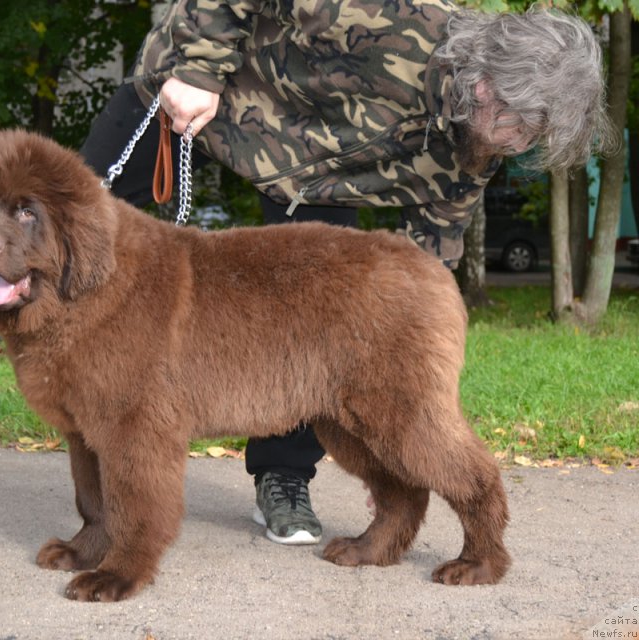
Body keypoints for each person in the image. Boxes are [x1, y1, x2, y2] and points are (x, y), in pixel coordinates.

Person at [80, 0, 611, 546]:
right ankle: (90, 425)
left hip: (316, 181)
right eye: (522, 125)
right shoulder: (388, 13)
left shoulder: (478, 143)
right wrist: (198, 68)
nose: (519, 145)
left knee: (313, 337)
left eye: (535, 135)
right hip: (202, 91)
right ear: (487, 85)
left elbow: (430, 256)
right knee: (78, 225)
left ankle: (282, 476)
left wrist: (399, 413)